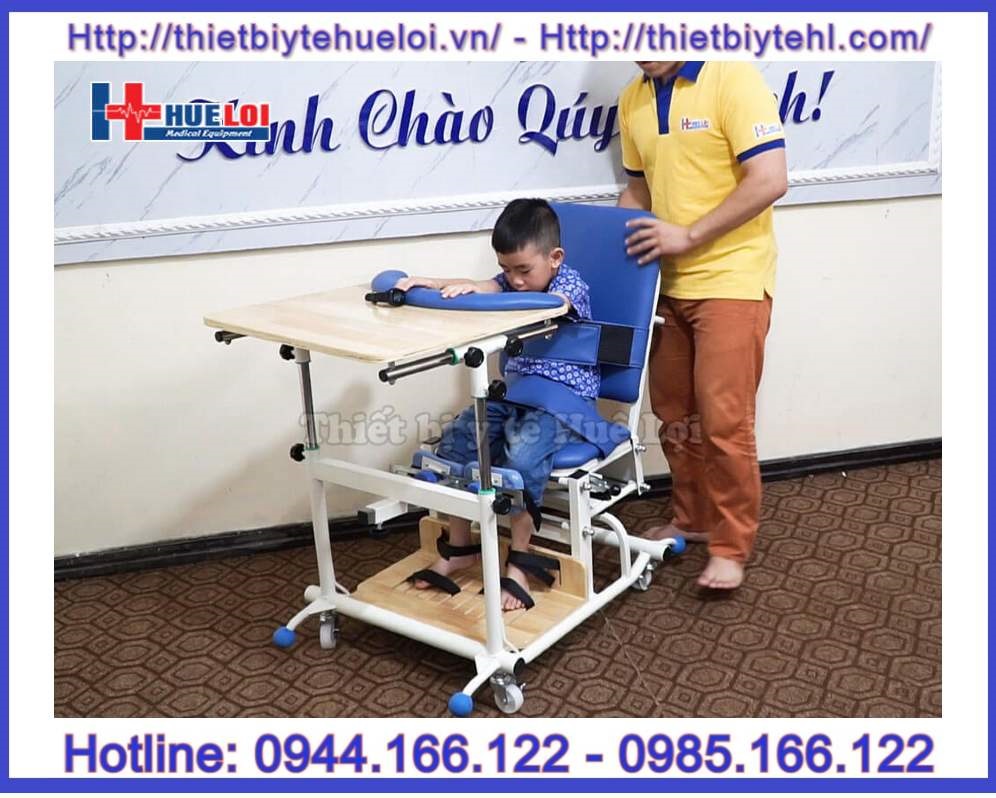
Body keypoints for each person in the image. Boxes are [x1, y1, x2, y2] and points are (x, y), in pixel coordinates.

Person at [617, 62, 788, 590]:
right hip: (666, 285)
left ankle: (731, 546)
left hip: (732, 279)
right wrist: (612, 255)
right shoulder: (633, 98)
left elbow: (770, 178)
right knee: (674, 416)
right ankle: (692, 518)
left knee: (723, 422)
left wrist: (688, 235)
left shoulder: (733, 78)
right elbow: (639, 191)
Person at [394, 198, 598, 611]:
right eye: (506, 270)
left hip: (563, 402)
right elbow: (483, 286)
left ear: (555, 258)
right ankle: (460, 546)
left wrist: (493, 295)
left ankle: (520, 560)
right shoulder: (511, 282)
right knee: (456, 442)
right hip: (517, 395)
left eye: (524, 269)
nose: (515, 280)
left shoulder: (571, 286)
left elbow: (550, 307)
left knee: (521, 455)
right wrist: (430, 284)